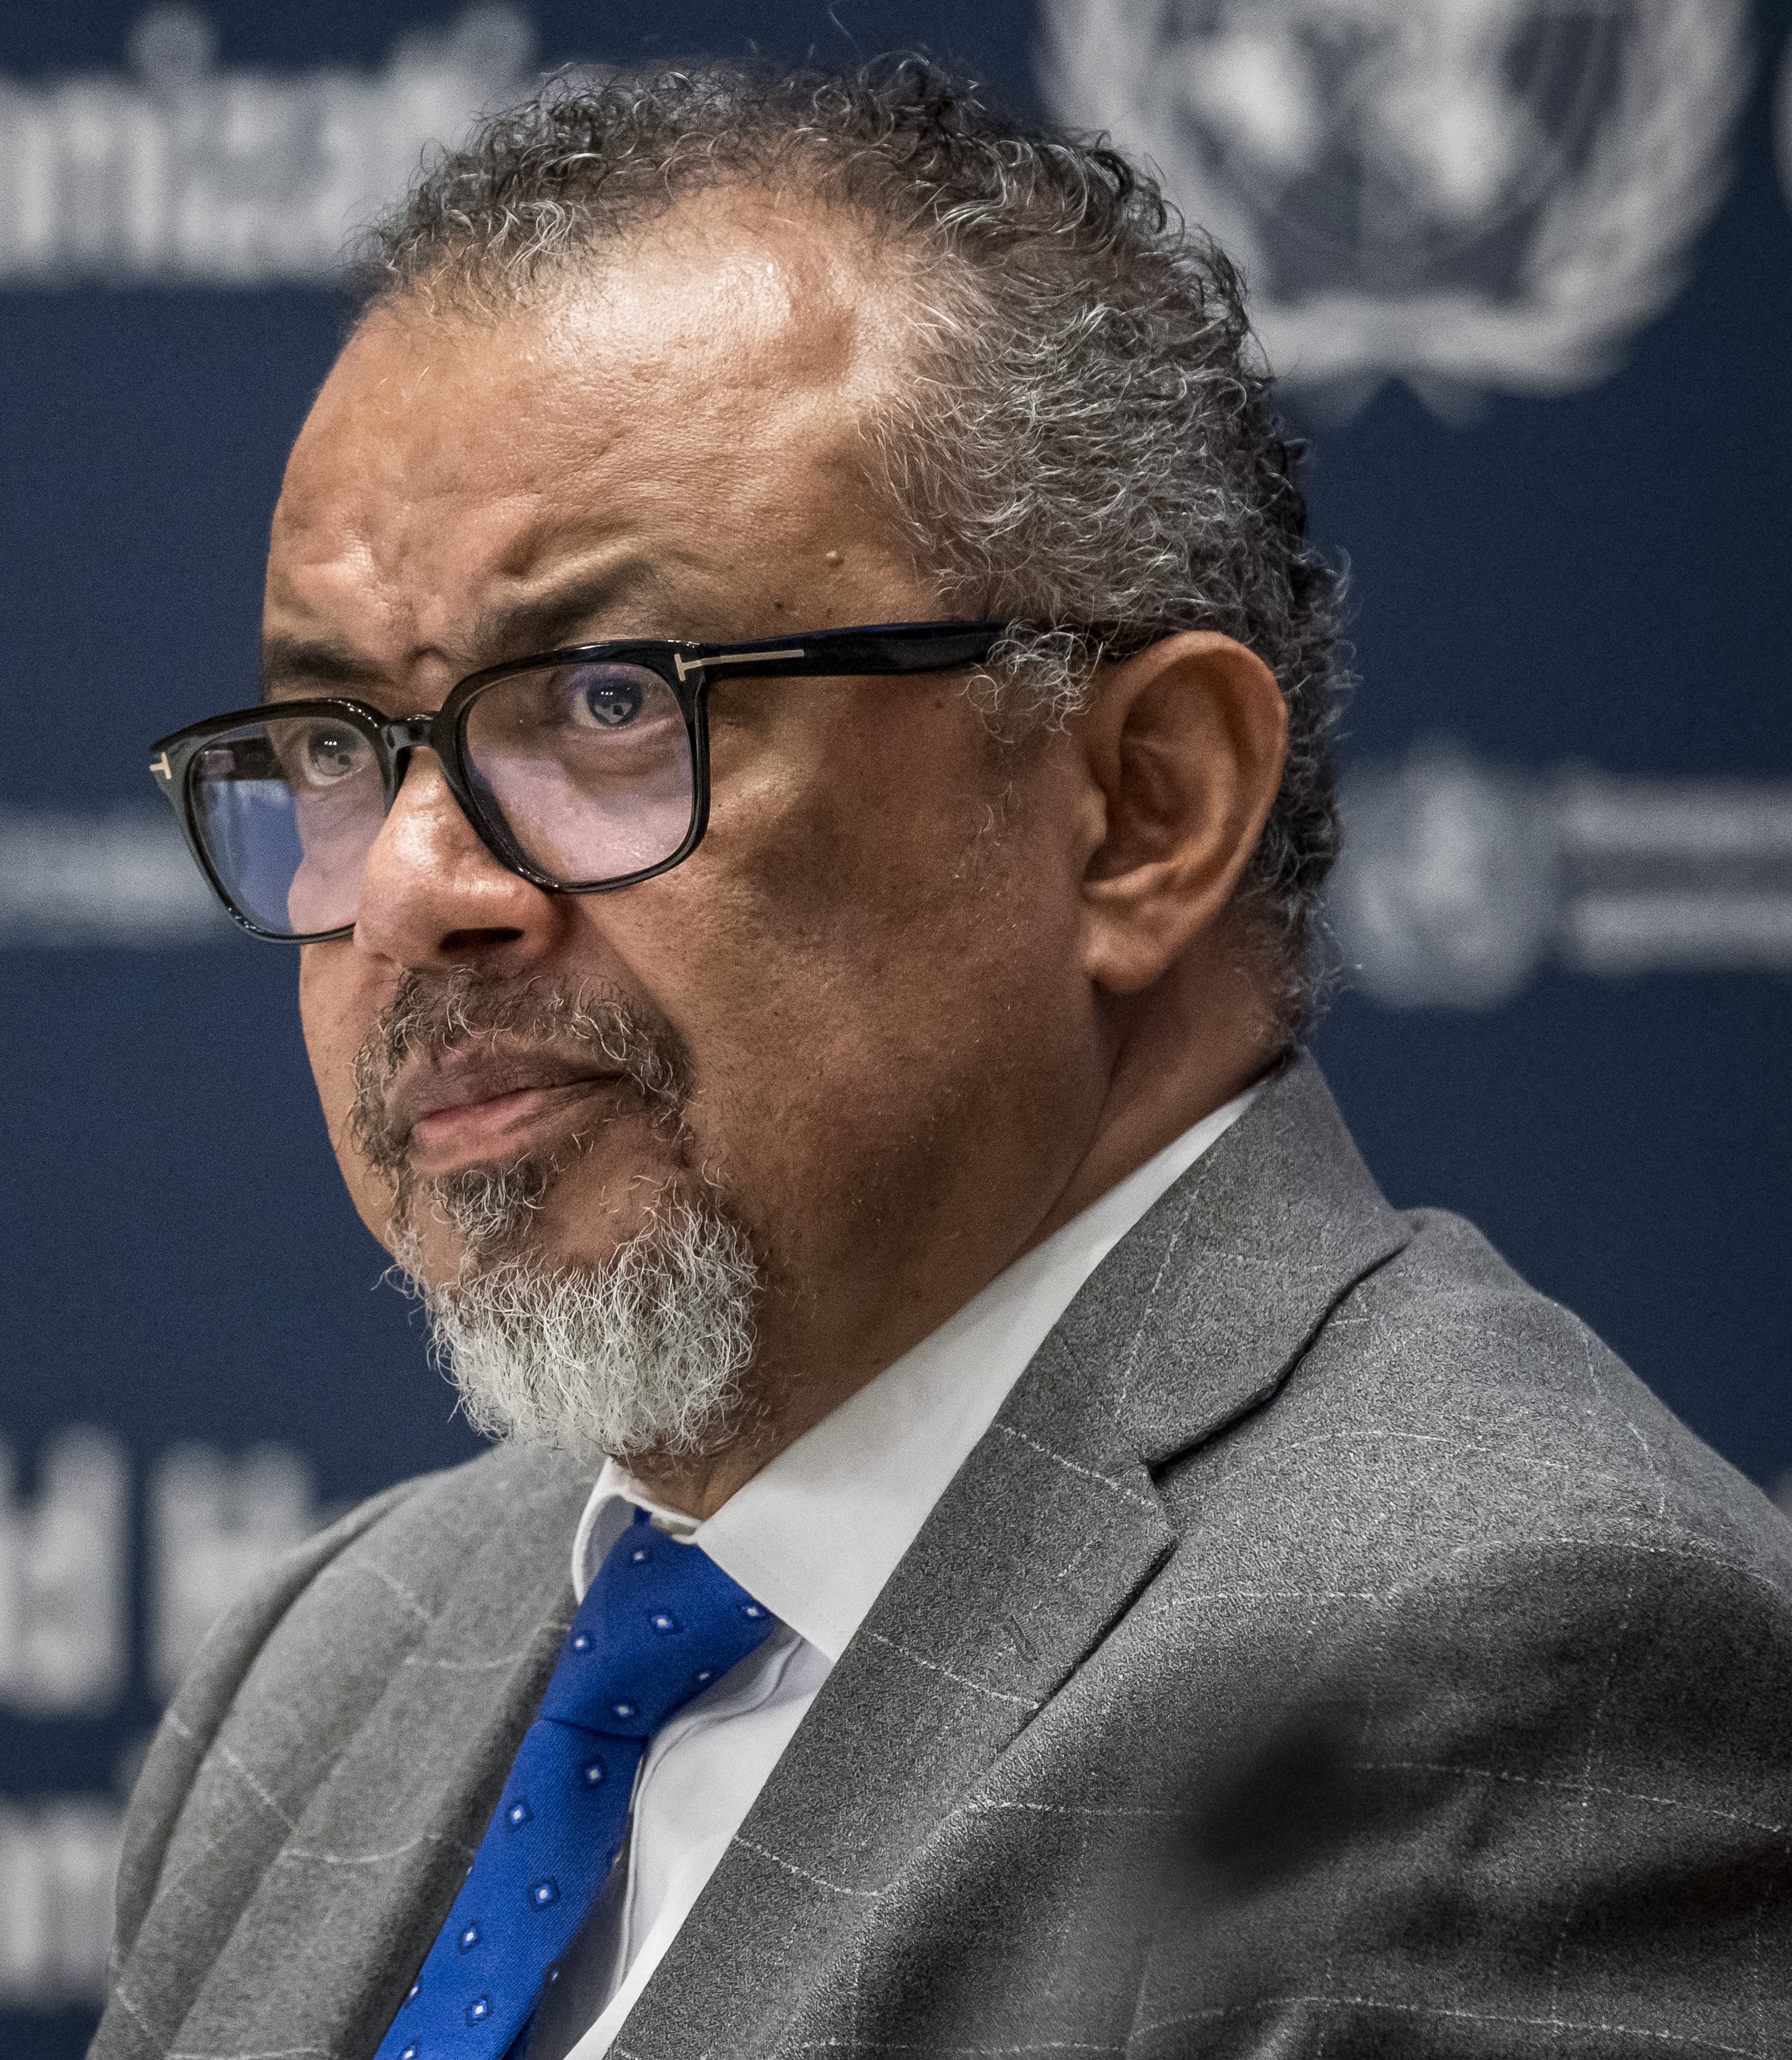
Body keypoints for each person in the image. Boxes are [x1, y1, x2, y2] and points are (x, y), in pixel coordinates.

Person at [101, 61, 1792, 2060]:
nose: (405, 891)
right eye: (326, 747)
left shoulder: (1494, 1678)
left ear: (1140, 808)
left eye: (608, 700)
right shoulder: (328, 1661)